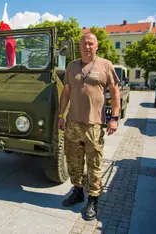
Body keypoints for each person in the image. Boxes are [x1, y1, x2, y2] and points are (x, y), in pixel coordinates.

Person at [58, 32, 120, 221]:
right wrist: (61, 115)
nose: (87, 46)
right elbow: (66, 92)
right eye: (84, 43)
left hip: (94, 125)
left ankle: (93, 199)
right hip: (73, 123)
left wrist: (114, 117)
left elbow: (115, 92)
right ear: (79, 46)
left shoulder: (106, 65)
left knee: (94, 163)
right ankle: (77, 191)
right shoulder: (72, 66)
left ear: (97, 46)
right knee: (73, 161)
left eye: (91, 44)